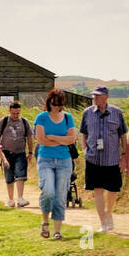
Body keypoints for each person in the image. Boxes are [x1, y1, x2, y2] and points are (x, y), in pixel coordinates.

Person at [78, 85, 127, 233]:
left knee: (113, 190)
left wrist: (123, 156)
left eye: (98, 96)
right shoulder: (87, 113)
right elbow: (83, 134)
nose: (95, 98)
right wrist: (85, 150)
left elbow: (123, 136)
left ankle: (108, 213)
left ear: (106, 96)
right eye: (94, 96)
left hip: (112, 158)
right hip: (93, 158)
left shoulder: (117, 113)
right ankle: (103, 223)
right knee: (97, 190)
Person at [34, 89, 76, 240]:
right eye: (53, 103)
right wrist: (61, 139)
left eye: (58, 104)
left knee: (60, 196)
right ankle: (45, 222)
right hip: (46, 160)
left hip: (64, 161)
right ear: (49, 102)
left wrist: (52, 137)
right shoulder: (42, 117)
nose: (56, 107)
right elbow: (41, 140)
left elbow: (72, 139)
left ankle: (57, 230)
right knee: (48, 191)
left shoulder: (68, 118)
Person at [0, 102, 33, 208]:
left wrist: (30, 152)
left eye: (18, 113)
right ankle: (10, 199)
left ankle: (20, 198)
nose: (16, 115)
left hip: (20, 152)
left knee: (21, 175)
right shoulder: (4, 121)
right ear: (10, 111)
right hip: (6, 153)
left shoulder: (24, 122)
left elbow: (29, 138)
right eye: (14, 113)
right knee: (9, 177)